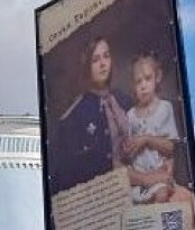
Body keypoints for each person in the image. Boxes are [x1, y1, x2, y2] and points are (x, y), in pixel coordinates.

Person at [50, 36, 133, 193]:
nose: (103, 64)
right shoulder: (76, 116)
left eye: (106, 56)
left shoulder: (123, 99)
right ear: (86, 66)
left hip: (138, 177)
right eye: (95, 60)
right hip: (108, 193)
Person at [116, 52, 193, 204]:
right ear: (133, 86)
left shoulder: (165, 108)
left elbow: (170, 147)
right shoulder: (130, 115)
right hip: (140, 177)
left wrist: (146, 139)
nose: (143, 86)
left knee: (162, 193)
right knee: (128, 199)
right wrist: (127, 148)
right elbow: (128, 151)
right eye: (138, 82)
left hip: (160, 175)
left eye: (147, 78)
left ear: (157, 77)